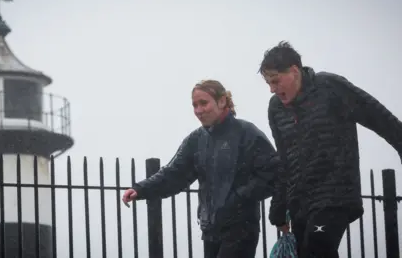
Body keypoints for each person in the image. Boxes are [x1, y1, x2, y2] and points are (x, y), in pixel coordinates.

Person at [261, 41, 402, 258]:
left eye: (276, 81)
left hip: (335, 194)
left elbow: (377, 116)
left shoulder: (329, 87)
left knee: (318, 246)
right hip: (300, 201)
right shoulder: (275, 108)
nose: (272, 89)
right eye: (268, 83)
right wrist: (279, 207)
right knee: (308, 251)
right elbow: (284, 160)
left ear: (294, 71)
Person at [122, 80, 281, 258]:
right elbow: (174, 174)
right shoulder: (197, 139)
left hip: (241, 229)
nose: (198, 110)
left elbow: (273, 174)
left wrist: (238, 198)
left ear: (222, 101)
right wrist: (141, 189)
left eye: (203, 103)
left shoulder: (246, 133)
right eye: (194, 105)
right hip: (210, 230)